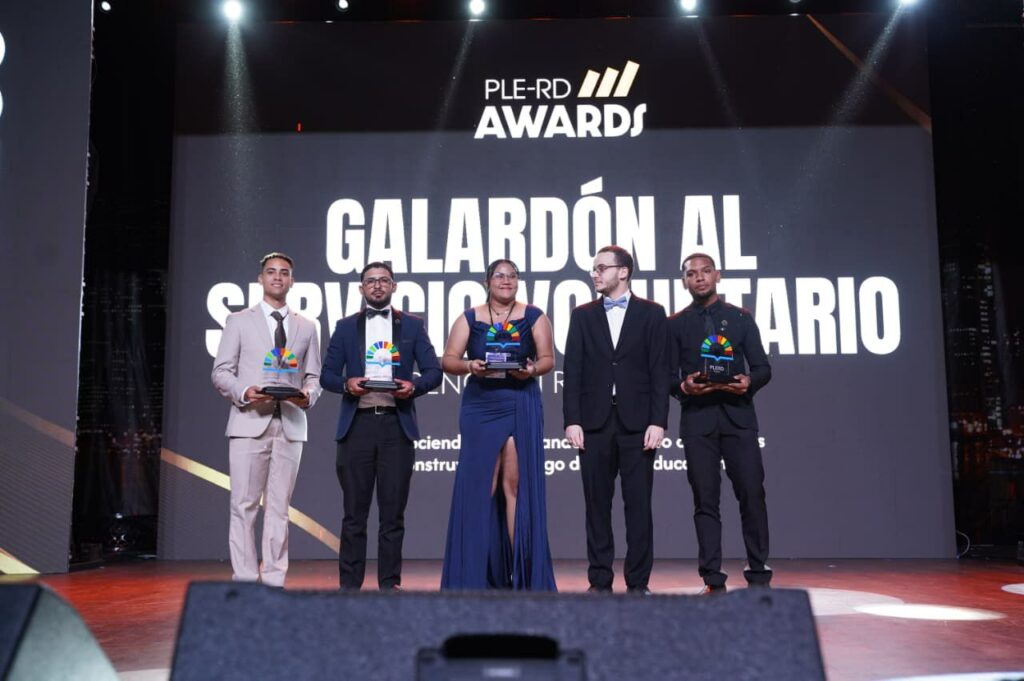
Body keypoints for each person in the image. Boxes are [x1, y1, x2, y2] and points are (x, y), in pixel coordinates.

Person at [320, 261, 442, 590]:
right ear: (361, 288)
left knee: (393, 515)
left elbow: (433, 371)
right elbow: (327, 375)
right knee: (353, 514)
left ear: (394, 286)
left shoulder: (413, 326)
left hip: (395, 428)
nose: (377, 285)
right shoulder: (345, 327)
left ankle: (389, 585)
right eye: (371, 281)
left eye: (384, 280)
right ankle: (349, 588)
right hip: (357, 426)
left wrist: (413, 387)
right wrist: (347, 384)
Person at [440, 259, 557, 591]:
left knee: (514, 486)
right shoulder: (470, 317)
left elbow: (548, 359)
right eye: (499, 276)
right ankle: (472, 579)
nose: (506, 281)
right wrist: (470, 366)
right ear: (487, 282)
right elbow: (448, 360)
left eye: (512, 276)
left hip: (520, 401)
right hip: (481, 405)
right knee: (482, 487)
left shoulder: (534, 316)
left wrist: (531, 371)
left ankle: (523, 580)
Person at [562, 245, 670, 594]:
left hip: (638, 424)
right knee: (596, 506)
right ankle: (599, 582)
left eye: (601, 268)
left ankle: (638, 583)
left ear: (623, 271)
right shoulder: (582, 315)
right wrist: (572, 420)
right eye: (594, 269)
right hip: (593, 424)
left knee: (639, 506)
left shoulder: (652, 313)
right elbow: (573, 371)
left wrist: (658, 421)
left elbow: (659, 370)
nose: (595, 274)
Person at [211, 251, 322, 587]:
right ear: (261, 279)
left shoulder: (307, 326)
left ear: (292, 280)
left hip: (290, 424)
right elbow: (221, 372)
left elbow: (314, 376)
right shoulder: (238, 321)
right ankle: (245, 580)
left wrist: (307, 396)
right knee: (243, 505)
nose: (277, 277)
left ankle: (274, 580)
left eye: (284, 272)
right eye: (271, 272)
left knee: (279, 508)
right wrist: (245, 391)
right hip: (249, 420)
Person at [669, 252, 772, 594]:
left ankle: (758, 572)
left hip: (738, 418)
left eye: (706, 271)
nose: (699, 277)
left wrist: (749, 382)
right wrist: (683, 387)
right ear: (684, 281)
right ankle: (713, 578)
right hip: (698, 422)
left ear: (718, 275)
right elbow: (667, 376)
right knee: (705, 500)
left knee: (752, 494)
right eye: (692, 273)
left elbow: (763, 367)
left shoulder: (741, 318)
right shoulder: (675, 324)